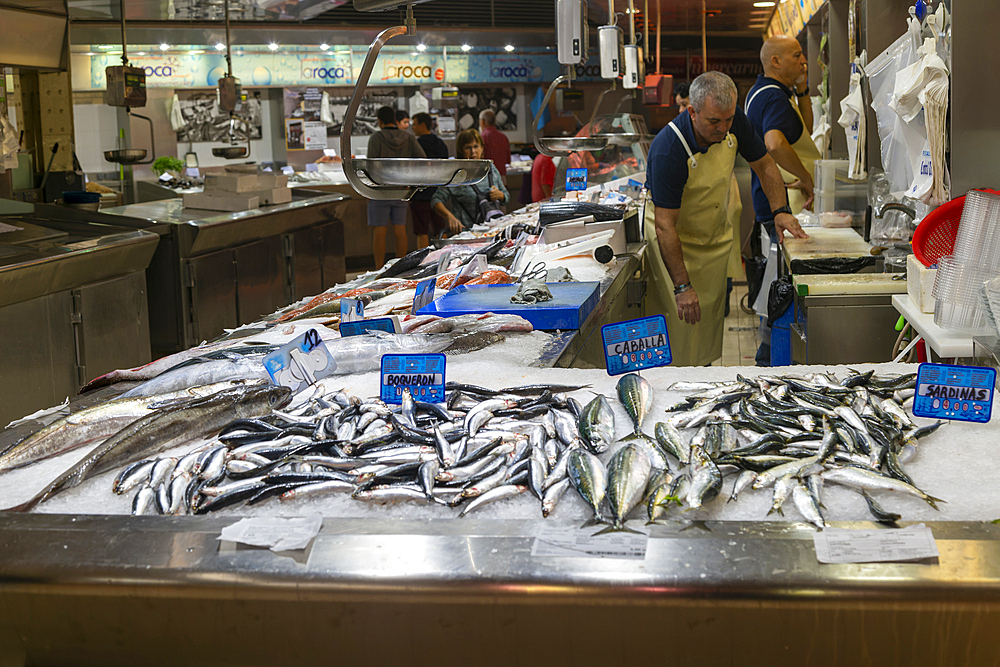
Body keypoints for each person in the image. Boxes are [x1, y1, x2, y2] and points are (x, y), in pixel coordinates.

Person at [644, 71, 807, 367]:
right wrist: (682, 287)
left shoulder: (734, 122)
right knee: (679, 332)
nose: (723, 129)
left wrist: (780, 210)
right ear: (692, 112)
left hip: (711, 242)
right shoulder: (669, 149)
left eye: (728, 120)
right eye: (713, 122)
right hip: (674, 243)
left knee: (705, 331)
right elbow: (664, 226)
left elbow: (765, 165)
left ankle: (703, 378)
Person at [745, 34, 821, 365]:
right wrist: (806, 177)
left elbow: (804, 128)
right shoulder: (774, 99)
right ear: (775, 61)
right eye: (796, 55)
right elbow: (775, 144)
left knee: (773, 287)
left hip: (771, 203)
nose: (804, 61)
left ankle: (768, 351)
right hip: (784, 205)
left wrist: (803, 88)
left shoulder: (766, 92)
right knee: (779, 289)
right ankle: (768, 358)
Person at [367, 105, 426, 269]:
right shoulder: (408, 137)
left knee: (380, 230)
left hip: (380, 190)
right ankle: (401, 268)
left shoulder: (376, 138)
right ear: (394, 120)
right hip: (402, 188)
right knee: (400, 229)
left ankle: (379, 269)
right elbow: (422, 158)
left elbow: (370, 165)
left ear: (379, 121)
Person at [432, 128, 509, 232]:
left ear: (482, 148)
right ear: (461, 151)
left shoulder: (490, 168)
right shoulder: (456, 174)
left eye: (476, 146)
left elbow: (506, 196)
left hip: (493, 231)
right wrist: (449, 217)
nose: (473, 151)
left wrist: (500, 195)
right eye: (468, 148)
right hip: (467, 233)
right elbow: (436, 200)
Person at [410, 112, 449, 248]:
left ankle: (423, 262)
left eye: (414, 124)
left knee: (422, 231)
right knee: (441, 229)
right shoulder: (440, 143)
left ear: (422, 125)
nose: (412, 127)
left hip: (420, 193)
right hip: (438, 193)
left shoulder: (416, 144)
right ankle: (447, 258)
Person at [479, 109, 511, 186]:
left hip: (487, 181)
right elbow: (508, 160)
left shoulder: (482, 138)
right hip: (502, 180)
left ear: (482, 121)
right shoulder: (503, 137)